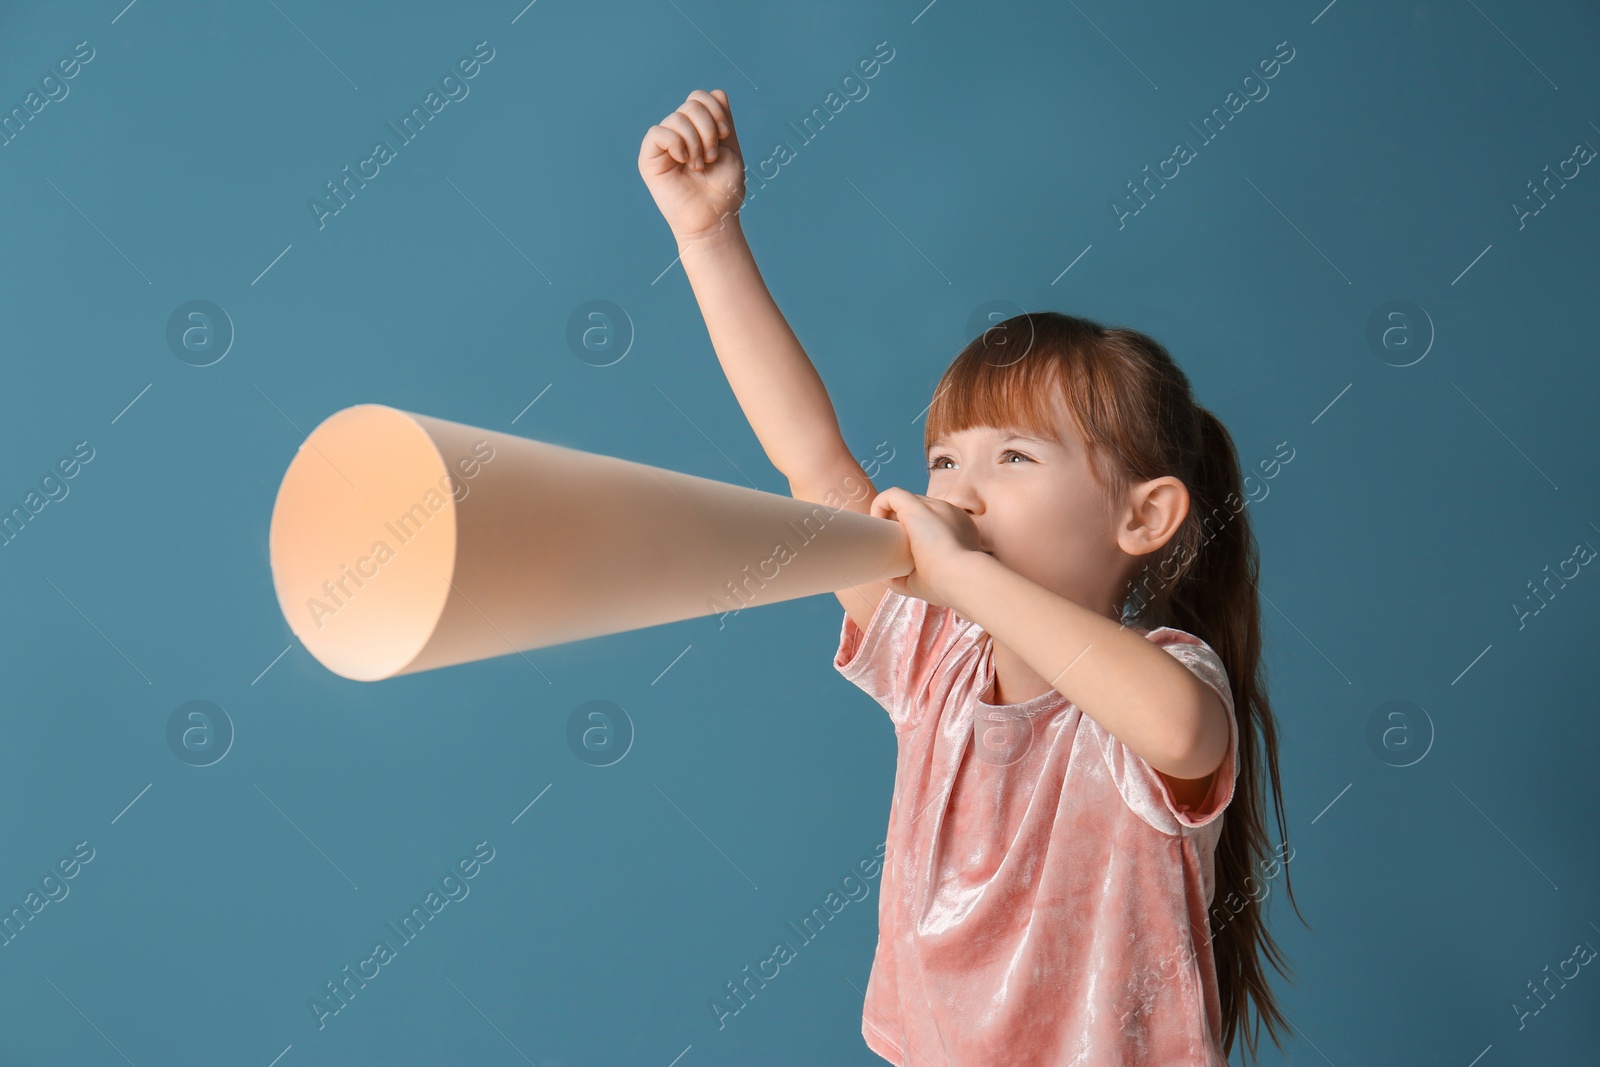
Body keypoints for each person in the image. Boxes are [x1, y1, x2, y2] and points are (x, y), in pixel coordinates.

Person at [639, 88, 1305, 1067]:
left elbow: (1178, 729)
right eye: (943, 460)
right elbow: (815, 467)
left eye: (1014, 458)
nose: (959, 488)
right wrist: (706, 235)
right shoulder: (930, 656)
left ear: (1142, 516)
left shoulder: (1165, 680)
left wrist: (958, 574)